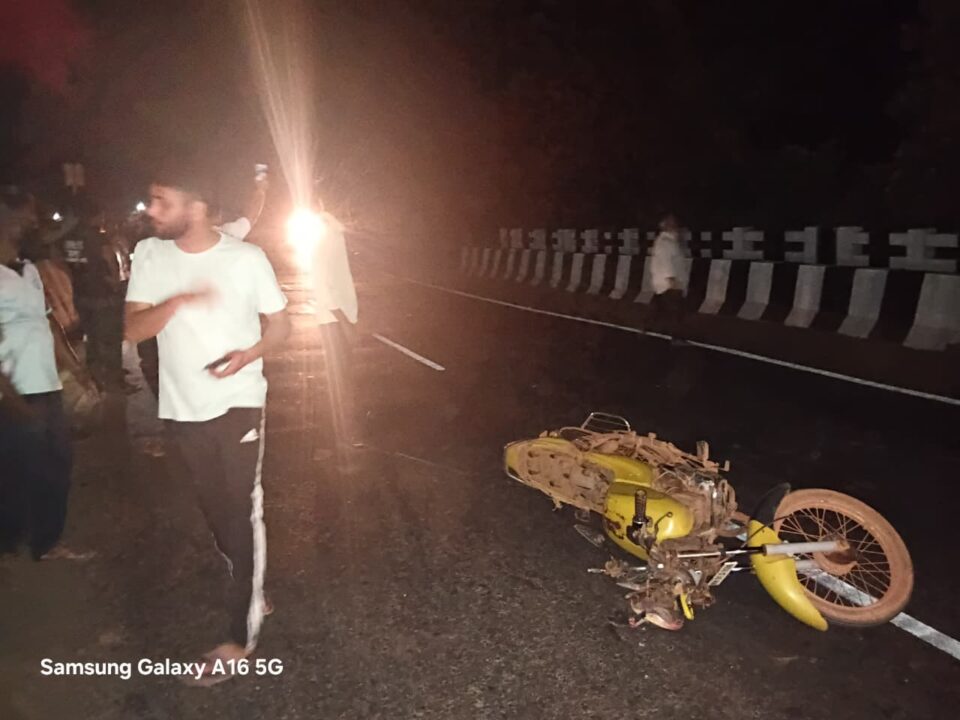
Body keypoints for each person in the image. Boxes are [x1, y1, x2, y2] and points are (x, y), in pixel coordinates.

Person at [124, 167, 290, 682]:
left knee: (241, 512)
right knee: (215, 509)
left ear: (194, 208)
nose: (152, 211)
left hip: (239, 402)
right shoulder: (150, 255)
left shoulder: (246, 258)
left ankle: (240, 638)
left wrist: (249, 355)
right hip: (181, 407)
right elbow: (133, 329)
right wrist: (177, 301)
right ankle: (249, 580)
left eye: (162, 201)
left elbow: (281, 326)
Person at [0, 186, 91, 561]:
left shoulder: (30, 270)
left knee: (57, 464)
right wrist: (12, 398)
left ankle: (46, 542)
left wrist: (76, 369)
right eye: (24, 216)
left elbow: (48, 326)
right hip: (13, 391)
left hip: (47, 386)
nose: (32, 223)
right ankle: (11, 542)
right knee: (17, 470)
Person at [307, 202, 360, 464]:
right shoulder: (329, 235)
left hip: (334, 318)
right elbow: (325, 284)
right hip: (334, 320)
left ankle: (330, 442)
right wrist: (345, 322)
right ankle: (334, 444)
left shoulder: (330, 232)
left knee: (337, 382)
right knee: (338, 385)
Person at [648, 214, 687, 339]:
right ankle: (677, 337)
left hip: (665, 283)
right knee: (675, 312)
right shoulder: (666, 242)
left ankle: (647, 330)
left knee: (660, 309)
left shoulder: (669, 241)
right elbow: (666, 262)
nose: (676, 227)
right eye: (673, 224)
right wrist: (671, 279)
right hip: (669, 283)